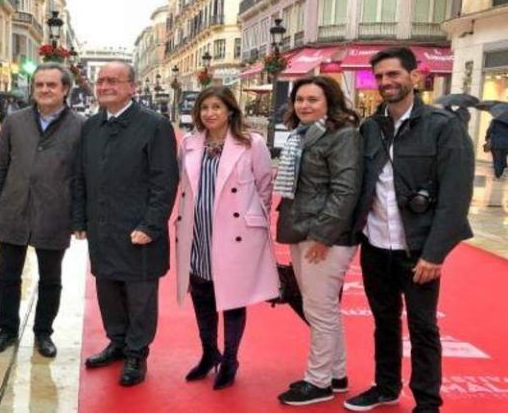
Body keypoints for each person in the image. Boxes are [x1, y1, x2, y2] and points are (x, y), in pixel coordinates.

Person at [345, 47, 474, 413]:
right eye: (380, 77)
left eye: (394, 75)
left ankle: (428, 403)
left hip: (418, 249)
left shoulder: (443, 127)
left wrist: (435, 253)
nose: (386, 82)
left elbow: (455, 196)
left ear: (414, 77)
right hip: (375, 244)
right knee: (384, 322)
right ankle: (386, 387)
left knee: (422, 327)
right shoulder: (370, 127)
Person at [72, 61, 179, 386]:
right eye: (101, 81)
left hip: (138, 231)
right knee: (107, 290)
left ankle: (136, 353)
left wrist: (151, 225)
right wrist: (79, 218)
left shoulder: (154, 125)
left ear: (132, 87)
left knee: (140, 296)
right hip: (102, 229)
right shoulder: (90, 126)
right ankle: (117, 342)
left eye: (113, 81)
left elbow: (165, 180)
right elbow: (79, 176)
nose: (104, 86)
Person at [174, 86, 278, 390]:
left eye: (216, 107)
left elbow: (264, 186)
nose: (209, 113)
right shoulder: (190, 144)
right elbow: (185, 184)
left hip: (234, 235)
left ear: (230, 110)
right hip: (197, 232)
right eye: (204, 108)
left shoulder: (251, 143)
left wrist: (251, 223)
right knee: (202, 294)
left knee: (232, 300)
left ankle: (230, 359)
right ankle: (209, 353)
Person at [0, 63, 85, 358]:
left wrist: (79, 218)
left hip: (55, 213)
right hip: (13, 208)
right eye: (39, 85)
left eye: (51, 85)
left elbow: (82, 176)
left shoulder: (80, 126)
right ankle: (7, 330)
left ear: (65, 89)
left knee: (51, 278)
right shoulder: (15, 121)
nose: (44, 90)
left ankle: (43, 332)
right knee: (8, 276)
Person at [273, 76, 362, 405]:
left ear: (330, 103)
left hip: (324, 235)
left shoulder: (342, 135)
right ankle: (336, 375)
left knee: (320, 310)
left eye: (313, 100)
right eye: (300, 99)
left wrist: (324, 234)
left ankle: (318, 381)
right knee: (323, 308)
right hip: (303, 228)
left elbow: (345, 189)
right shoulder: (303, 134)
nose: (305, 105)